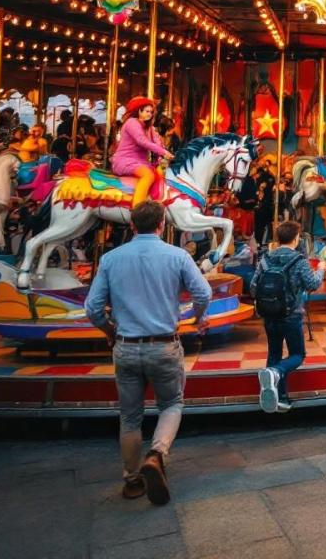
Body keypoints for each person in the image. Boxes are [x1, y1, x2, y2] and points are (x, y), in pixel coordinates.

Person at [83, 201, 211, 505]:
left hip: (126, 345)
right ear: (162, 224)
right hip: (164, 344)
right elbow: (203, 293)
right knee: (171, 404)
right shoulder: (177, 255)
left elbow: (92, 308)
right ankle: (156, 454)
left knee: (129, 417)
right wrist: (198, 315)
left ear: (131, 226)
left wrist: (109, 331)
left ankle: (131, 480)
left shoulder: (112, 258)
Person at [253, 221, 324, 414]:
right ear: (295, 238)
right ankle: (275, 373)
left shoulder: (266, 259)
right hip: (291, 315)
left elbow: (253, 286)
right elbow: (313, 283)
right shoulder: (299, 260)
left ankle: (280, 397)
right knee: (297, 355)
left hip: (269, 315)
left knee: (274, 353)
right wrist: (322, 269)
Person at [111, 97, 174, 208]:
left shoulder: (149, 128)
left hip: (140, 162)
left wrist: (164, 157)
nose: (149, 114)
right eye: (147, 111)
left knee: (161, 174)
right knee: (148, 175)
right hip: (125, 161)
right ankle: (137, 209)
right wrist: (163, 152)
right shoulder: (132, 123)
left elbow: (157, 143)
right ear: (139, 111)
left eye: (151, 112)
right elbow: (142, 141)